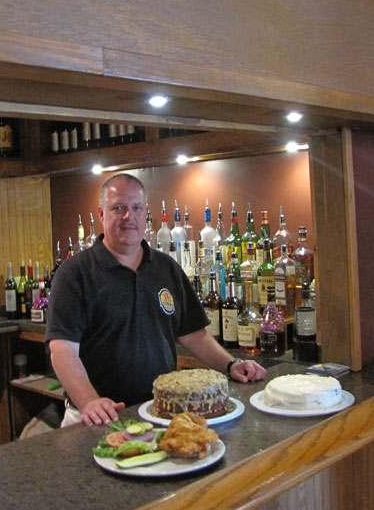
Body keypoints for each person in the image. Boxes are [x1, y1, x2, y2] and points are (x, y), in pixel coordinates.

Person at [46, 173, 266, 427]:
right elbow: (62, 350)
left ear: (145, 213)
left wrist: (231, 365)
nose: (129, 216)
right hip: (97, 417)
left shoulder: (166, 268)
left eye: (136, 208)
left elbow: (193, 334)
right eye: (118, 208)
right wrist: (88, 402)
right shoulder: (75, 273)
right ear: (101, 214)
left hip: (158, 411)